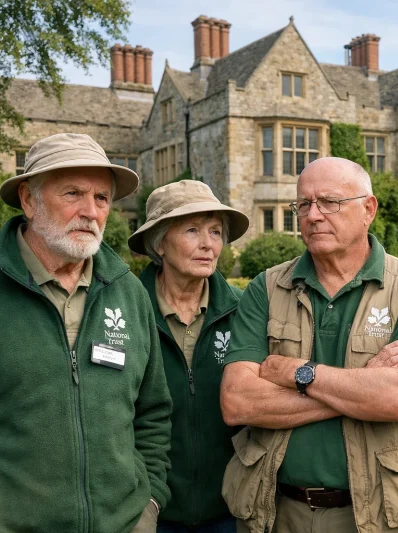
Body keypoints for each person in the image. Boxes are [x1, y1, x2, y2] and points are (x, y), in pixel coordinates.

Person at [219, 157, 398, 533]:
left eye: (329, 202)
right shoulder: (267, 288)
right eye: (303, 204)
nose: (313, 215)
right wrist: (363, 387)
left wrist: (299, 373)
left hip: (380, 517)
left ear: (368, 209)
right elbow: (237, 402)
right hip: (279, 512)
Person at [0, 133, 172, 532]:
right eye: (73, 194)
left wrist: (149, 505)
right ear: (29, 200)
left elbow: (153, 412)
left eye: (102, 197)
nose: (91, 212)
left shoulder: (128, 291)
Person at [128, 180, 250, 532]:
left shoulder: (243, 312)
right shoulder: (125, 314)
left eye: (215, 231)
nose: (208, 244)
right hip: (148, 513)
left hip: (229, 512)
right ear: (159, 243)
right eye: (192, 230)